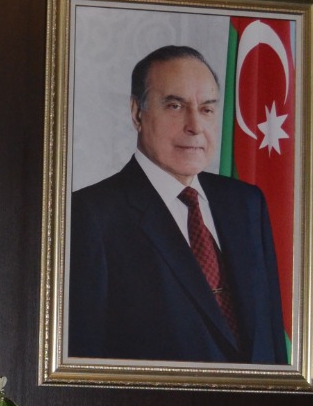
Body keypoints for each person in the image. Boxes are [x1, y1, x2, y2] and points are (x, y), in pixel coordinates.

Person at [68, 47, 287, 364]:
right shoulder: (91, 215)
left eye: (207, 109)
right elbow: (86, 360)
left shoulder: (247, 204)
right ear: (137, 113)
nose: (195, 126)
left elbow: (272, 342)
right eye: (175, 106)